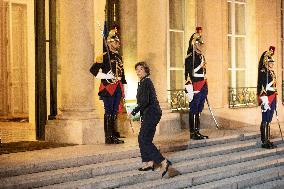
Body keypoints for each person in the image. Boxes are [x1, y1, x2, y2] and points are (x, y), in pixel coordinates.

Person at [128, 62, 172, 178]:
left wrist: (133, 112)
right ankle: (149, 163)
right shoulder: (142, 82)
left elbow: (145, 101)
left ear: (146, 70)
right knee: (144, 138)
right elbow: (143, 101)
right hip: (150, 113)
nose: (138, 72)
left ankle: (163, 161)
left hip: (152, 113)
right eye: (137, 70)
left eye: (141, 69)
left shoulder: (146, 82)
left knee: (143, 138)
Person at [90, 28, 127, 144]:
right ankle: (108, 136)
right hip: (108, 87)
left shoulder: (119, 57)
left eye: (117, 42)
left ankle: (113, 134)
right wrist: (106, 75)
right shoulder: (104, 56)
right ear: (109, 43)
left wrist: (124, 88)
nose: (118, 44)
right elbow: (93, 71)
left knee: (115, 111)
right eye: (115, 42)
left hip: (117, 87)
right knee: (109, 111)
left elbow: (123, 74)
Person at [184, 26, 209, 140]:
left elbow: (203, 71)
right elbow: (189, 74)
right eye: (198, 44)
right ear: (194, 44)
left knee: (199, 109)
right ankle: (193, 132)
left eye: (201, 44)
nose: (200, 46)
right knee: (193, 109)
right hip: (195, 85)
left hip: (202, 84)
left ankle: (197, 130)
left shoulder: (201, 56)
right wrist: (189, 88)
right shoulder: (190, 58)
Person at [257, 46, 277, 149]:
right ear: (266, 63)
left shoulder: (271, 73)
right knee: (264, 119)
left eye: (272, 62)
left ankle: (268, 140)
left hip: (273, 97)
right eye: (270, 62)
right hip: (266, 97)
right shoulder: (263, 73)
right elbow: (263, 86)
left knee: (269, 119)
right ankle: (263, 141)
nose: (272, 64)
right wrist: (263, 98)